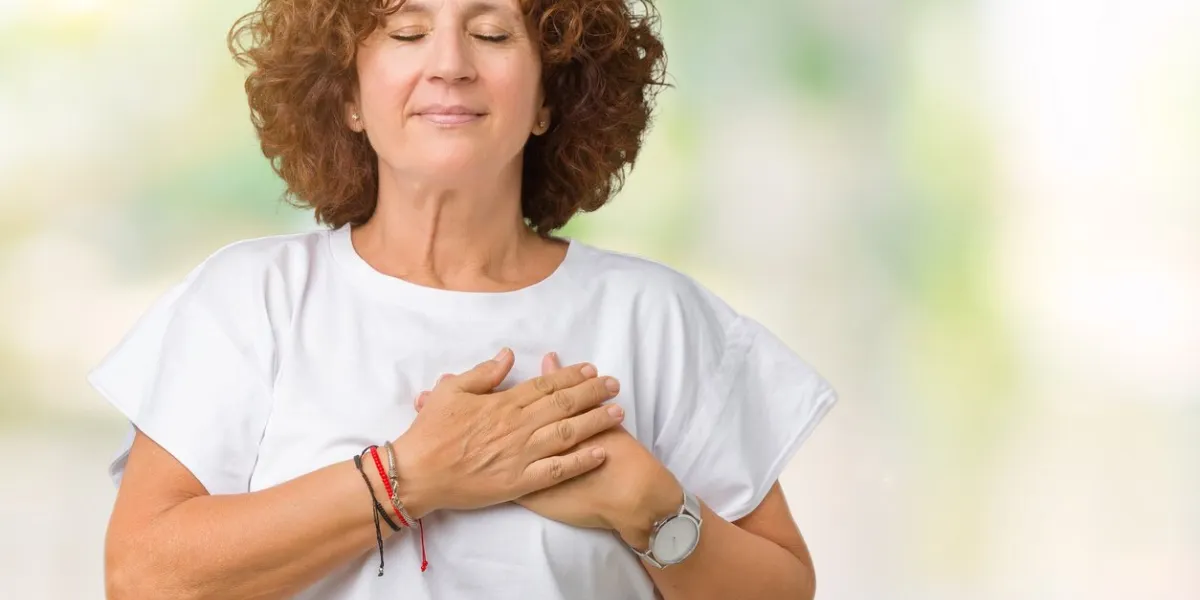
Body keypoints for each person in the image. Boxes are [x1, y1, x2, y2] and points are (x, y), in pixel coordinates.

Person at [89, 0, 838, 598]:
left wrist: (647, 504)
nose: (449, 64)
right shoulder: (250, 301)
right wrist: (409, 477)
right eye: (408, 31)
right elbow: (144, 578)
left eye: (490, 32)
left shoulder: (656, 319)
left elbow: (784, 588)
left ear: (549, 96)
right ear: (347, 95)